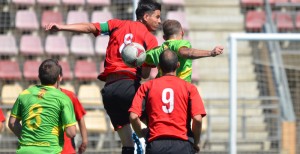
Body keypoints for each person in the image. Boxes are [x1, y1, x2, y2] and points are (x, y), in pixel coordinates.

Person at [44, 0, 161, 153]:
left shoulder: (116, 24)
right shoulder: (150, 39)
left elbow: (90, 27)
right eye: (157, 17)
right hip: (129, 88)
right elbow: (145, 74)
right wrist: (142, 62)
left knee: (127, 144)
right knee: (158, 130)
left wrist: (61, 27)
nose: (159, 21)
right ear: (146, 16)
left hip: (109, 91)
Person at [129, 49, 206, 154]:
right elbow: (197, 119)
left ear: (159, 66)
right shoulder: (189, 88)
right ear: (178, 65)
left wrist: (141, 133)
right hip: (182, 144)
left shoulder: (147, 87)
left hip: (156, 144)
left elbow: (133, 116)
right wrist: (196, 142)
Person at [8, 59, 77, 154]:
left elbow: (12, 123)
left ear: (39, 76)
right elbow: (71, 132)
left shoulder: (24, 94)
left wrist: (26, 139)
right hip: (50, 151)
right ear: (59, 77)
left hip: (25, 150)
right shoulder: (63, 98)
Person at [145, 19, 224, 82]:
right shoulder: (180, 44)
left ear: (164, 37)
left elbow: (142, 58)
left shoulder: (156, 51)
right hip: (181, 92)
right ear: (182, 33)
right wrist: (210, 53)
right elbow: (186, 52)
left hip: (161, 91)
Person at [59, 66, 88, 154]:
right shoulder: (69, 96)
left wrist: (84, 140)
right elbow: (80, 118)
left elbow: (80, 117)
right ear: (60, 77)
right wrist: (84, 140)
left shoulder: (70, 96)